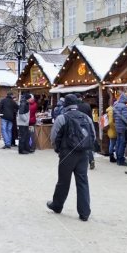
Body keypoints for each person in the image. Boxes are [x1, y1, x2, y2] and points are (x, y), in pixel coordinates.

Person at [46, 94, 95, 222]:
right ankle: (84, 212)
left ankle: (57, 205)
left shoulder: (62, 118)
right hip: (83, 154)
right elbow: (93, 135)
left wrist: (58, 149)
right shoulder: (86, 118)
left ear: (65, 105)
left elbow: (54, 136)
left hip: (67, 153)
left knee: (63, 181)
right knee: (83, 182)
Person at [75, 94, 95, 169]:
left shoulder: (75, 107)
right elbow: (90, 117)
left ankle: (79, 161)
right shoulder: (87, 105)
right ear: (81, 98)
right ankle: (91, 159)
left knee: (77, 143)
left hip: (77, 126)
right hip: (86, 126)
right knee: (87, 144)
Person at [113, 93, 127, 166]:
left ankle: (118, 158)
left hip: (117, 126)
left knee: (118, 142)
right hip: (123, 127)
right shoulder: (124, 107)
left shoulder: (116, 105)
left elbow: (114, 116)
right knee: (122, 143)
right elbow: (125, 118)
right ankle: (120, 159)